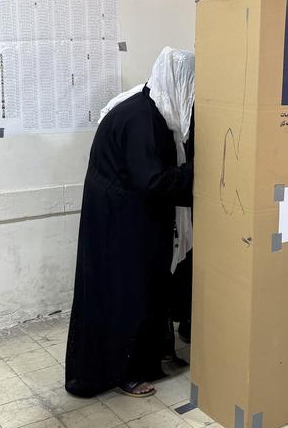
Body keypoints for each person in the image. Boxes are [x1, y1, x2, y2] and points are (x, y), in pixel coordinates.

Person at [65, 47, 195, 398]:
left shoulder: (148, 107)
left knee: (138, 290)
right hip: (120, 223)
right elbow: (151, 180)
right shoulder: (142, 118)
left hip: (122, 218)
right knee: (128, 294)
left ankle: (138, 363)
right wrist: (201, 175)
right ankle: (125, 373)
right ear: (178, 82)